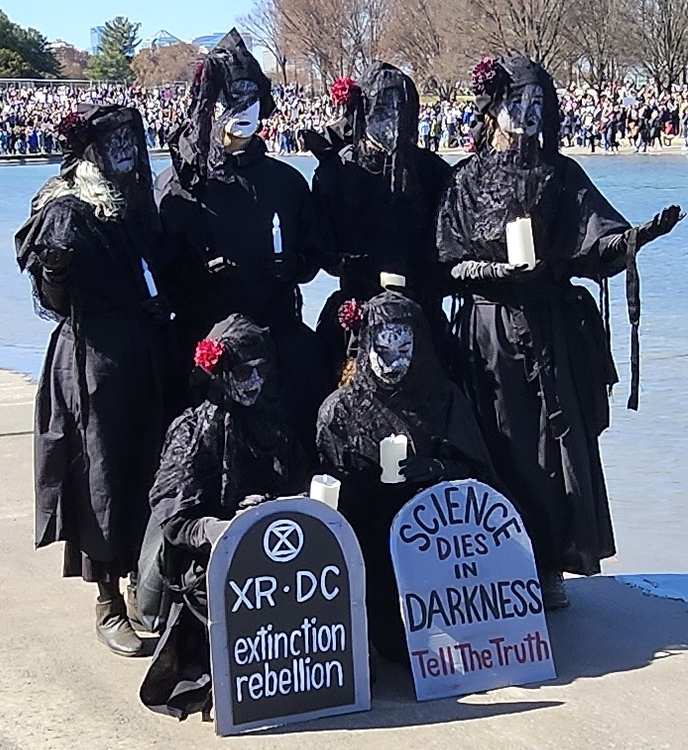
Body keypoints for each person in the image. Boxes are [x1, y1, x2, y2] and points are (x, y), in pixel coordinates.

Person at [436, 56, 682, 608]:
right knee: (497, 445)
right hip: (487, 335)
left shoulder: (561, 173)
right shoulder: (466, 178)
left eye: (537, 105)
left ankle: (549, 563)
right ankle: (500, 567)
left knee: (552, 451)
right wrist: (490, 272)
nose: (526, 114)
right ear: (493, 107)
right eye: (516, 103)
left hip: (550, 331)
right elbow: (448, 260)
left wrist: (637, 239)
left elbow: (595, 241)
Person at [15, 104, 172, 656]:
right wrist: (56, 268)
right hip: (92, 365)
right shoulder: (70, 208)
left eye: (133, 140)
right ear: (92, 151)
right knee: (100, 475)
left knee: (144, 469)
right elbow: (55, 299)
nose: (127, 151)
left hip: (143, 357)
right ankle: (105, 599)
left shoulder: (135, 204)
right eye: (115, 143)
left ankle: (138, 586)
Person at [155, 29, 329, 461]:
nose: (244, 111)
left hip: (278, 334)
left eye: (252, 99)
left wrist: (295, 265)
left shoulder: (286, 182)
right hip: (207, 341)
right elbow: (158, 270)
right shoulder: (180, 187)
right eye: (232, 99)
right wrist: (196, 277)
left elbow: (315, 249)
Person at [316, 292, 504, 664]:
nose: (392, 363)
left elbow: (481, 476)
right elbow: (329, 495)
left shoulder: (445, 399)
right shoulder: (339, 410)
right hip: (371, 541)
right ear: (365, 346)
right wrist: (362, 484)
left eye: (403, 349)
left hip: (436, 541)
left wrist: (438, 469)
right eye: (382, 351)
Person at [139, 314, 309, 720]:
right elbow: (175, 518)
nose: (254, 382)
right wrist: (225, 528)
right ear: (220, 373)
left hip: (272, 542)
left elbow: (298, 481)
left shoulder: (274, 423)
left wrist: (277, 507)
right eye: (243, 372)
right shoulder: (192, 430)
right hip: (206, 556)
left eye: (261, 370)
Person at [305, 63, 453, 378]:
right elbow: (317, 248)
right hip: (354, 316)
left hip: (422, 314)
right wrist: (348, 265)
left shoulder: (432, 173)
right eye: (384, 106)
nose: (393, 116)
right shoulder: (336, 174)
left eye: (401, 107)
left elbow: (448, 245)